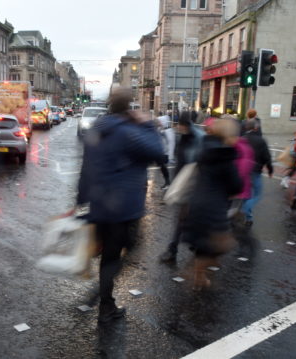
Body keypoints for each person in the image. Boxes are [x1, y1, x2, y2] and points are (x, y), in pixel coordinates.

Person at [77, 87, 163, 323]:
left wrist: (80, 199)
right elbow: (159, 152)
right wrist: (147, 124)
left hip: (100, 203)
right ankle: (103, 301)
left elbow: (87, 166)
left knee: (109, 253)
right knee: (126, 250)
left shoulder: (96, 129)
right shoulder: (129, 132)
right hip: (123, 207)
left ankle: (105, 298)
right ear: (129, 107)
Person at [181, 118, 242, 289]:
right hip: (214, 207)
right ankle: (194, 270)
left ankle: (198, 279)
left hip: (197, 201)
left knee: (203, 244)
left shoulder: (205, 149)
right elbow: (236, 186)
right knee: (223, 245)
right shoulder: (225, 156)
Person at [159, 110, 205, 263]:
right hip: (184, 184)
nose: (178, 128)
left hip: (193, 185)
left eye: (180, 125)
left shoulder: (198, 138)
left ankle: (175, 249)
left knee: (183, 219)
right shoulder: (184, 137)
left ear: (185, 125)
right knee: (184, 219)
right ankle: (193, 245)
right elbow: (180, 161)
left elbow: (196, 164)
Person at [241, 119, 273, 226]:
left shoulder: (242, 139)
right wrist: (270, 169)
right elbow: (266, 157)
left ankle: (248, 217)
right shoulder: (261, 140)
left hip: (244, 171)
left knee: (247, 193)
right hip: (255, 170)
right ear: (256, 128)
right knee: (257, 194)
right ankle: (245, 209)